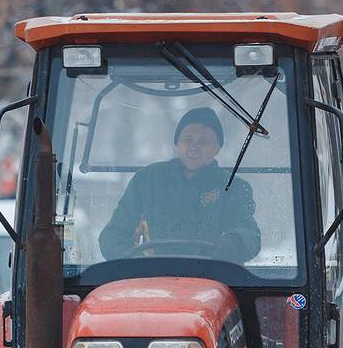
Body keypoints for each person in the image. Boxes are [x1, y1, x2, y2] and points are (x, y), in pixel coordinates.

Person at [98, 107, 262, 264]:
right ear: (177, 144)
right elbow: (113, 235)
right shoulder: (147, 179)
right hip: (152, 279)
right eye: (187, 139)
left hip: (213, 278)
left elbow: (249, 234)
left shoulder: (233, 187)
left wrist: (233, 243)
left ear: (217, 148)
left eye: (203, 141)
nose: (194, 147)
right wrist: (133, 263)